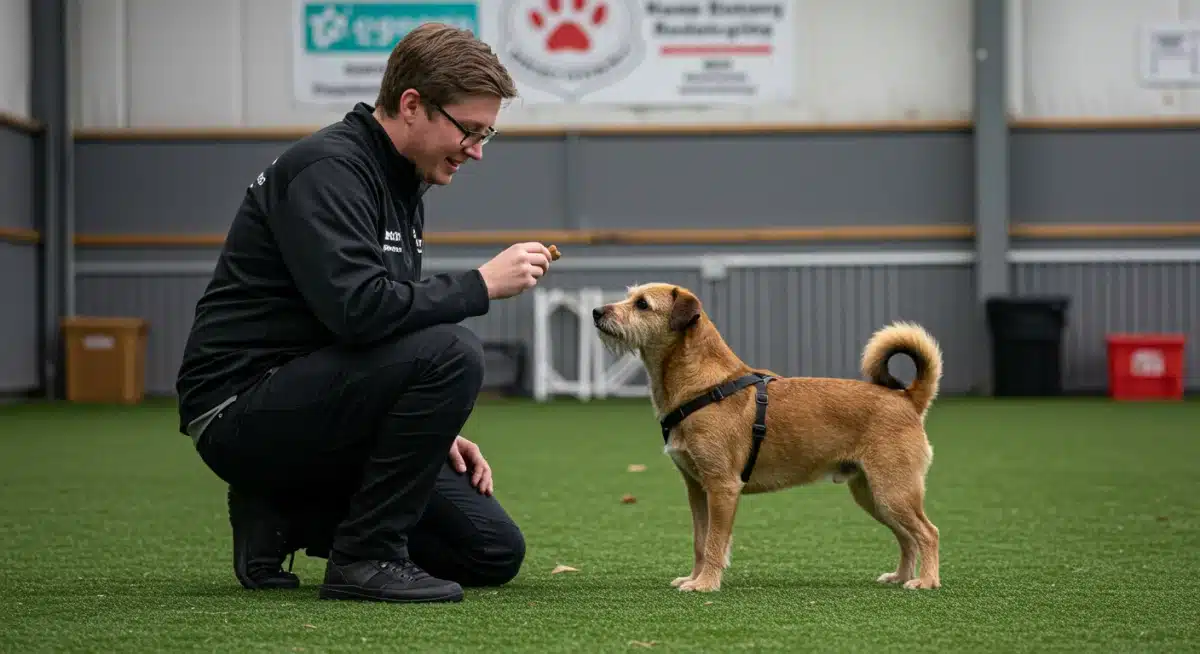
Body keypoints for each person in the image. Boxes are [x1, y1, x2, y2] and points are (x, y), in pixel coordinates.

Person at [174, 22, 550, 604]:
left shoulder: (402, 180)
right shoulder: (329, 169)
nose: (476, 150)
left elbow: (381, 331)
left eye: (487, 134)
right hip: (238, 409)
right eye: (469, 131)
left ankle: (282, 512)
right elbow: (359, 311)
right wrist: (480, 285)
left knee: (490, 551)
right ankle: (364, 558)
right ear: (412, 105)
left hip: (313, 400)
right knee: (453, 350)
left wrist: (430, 424)